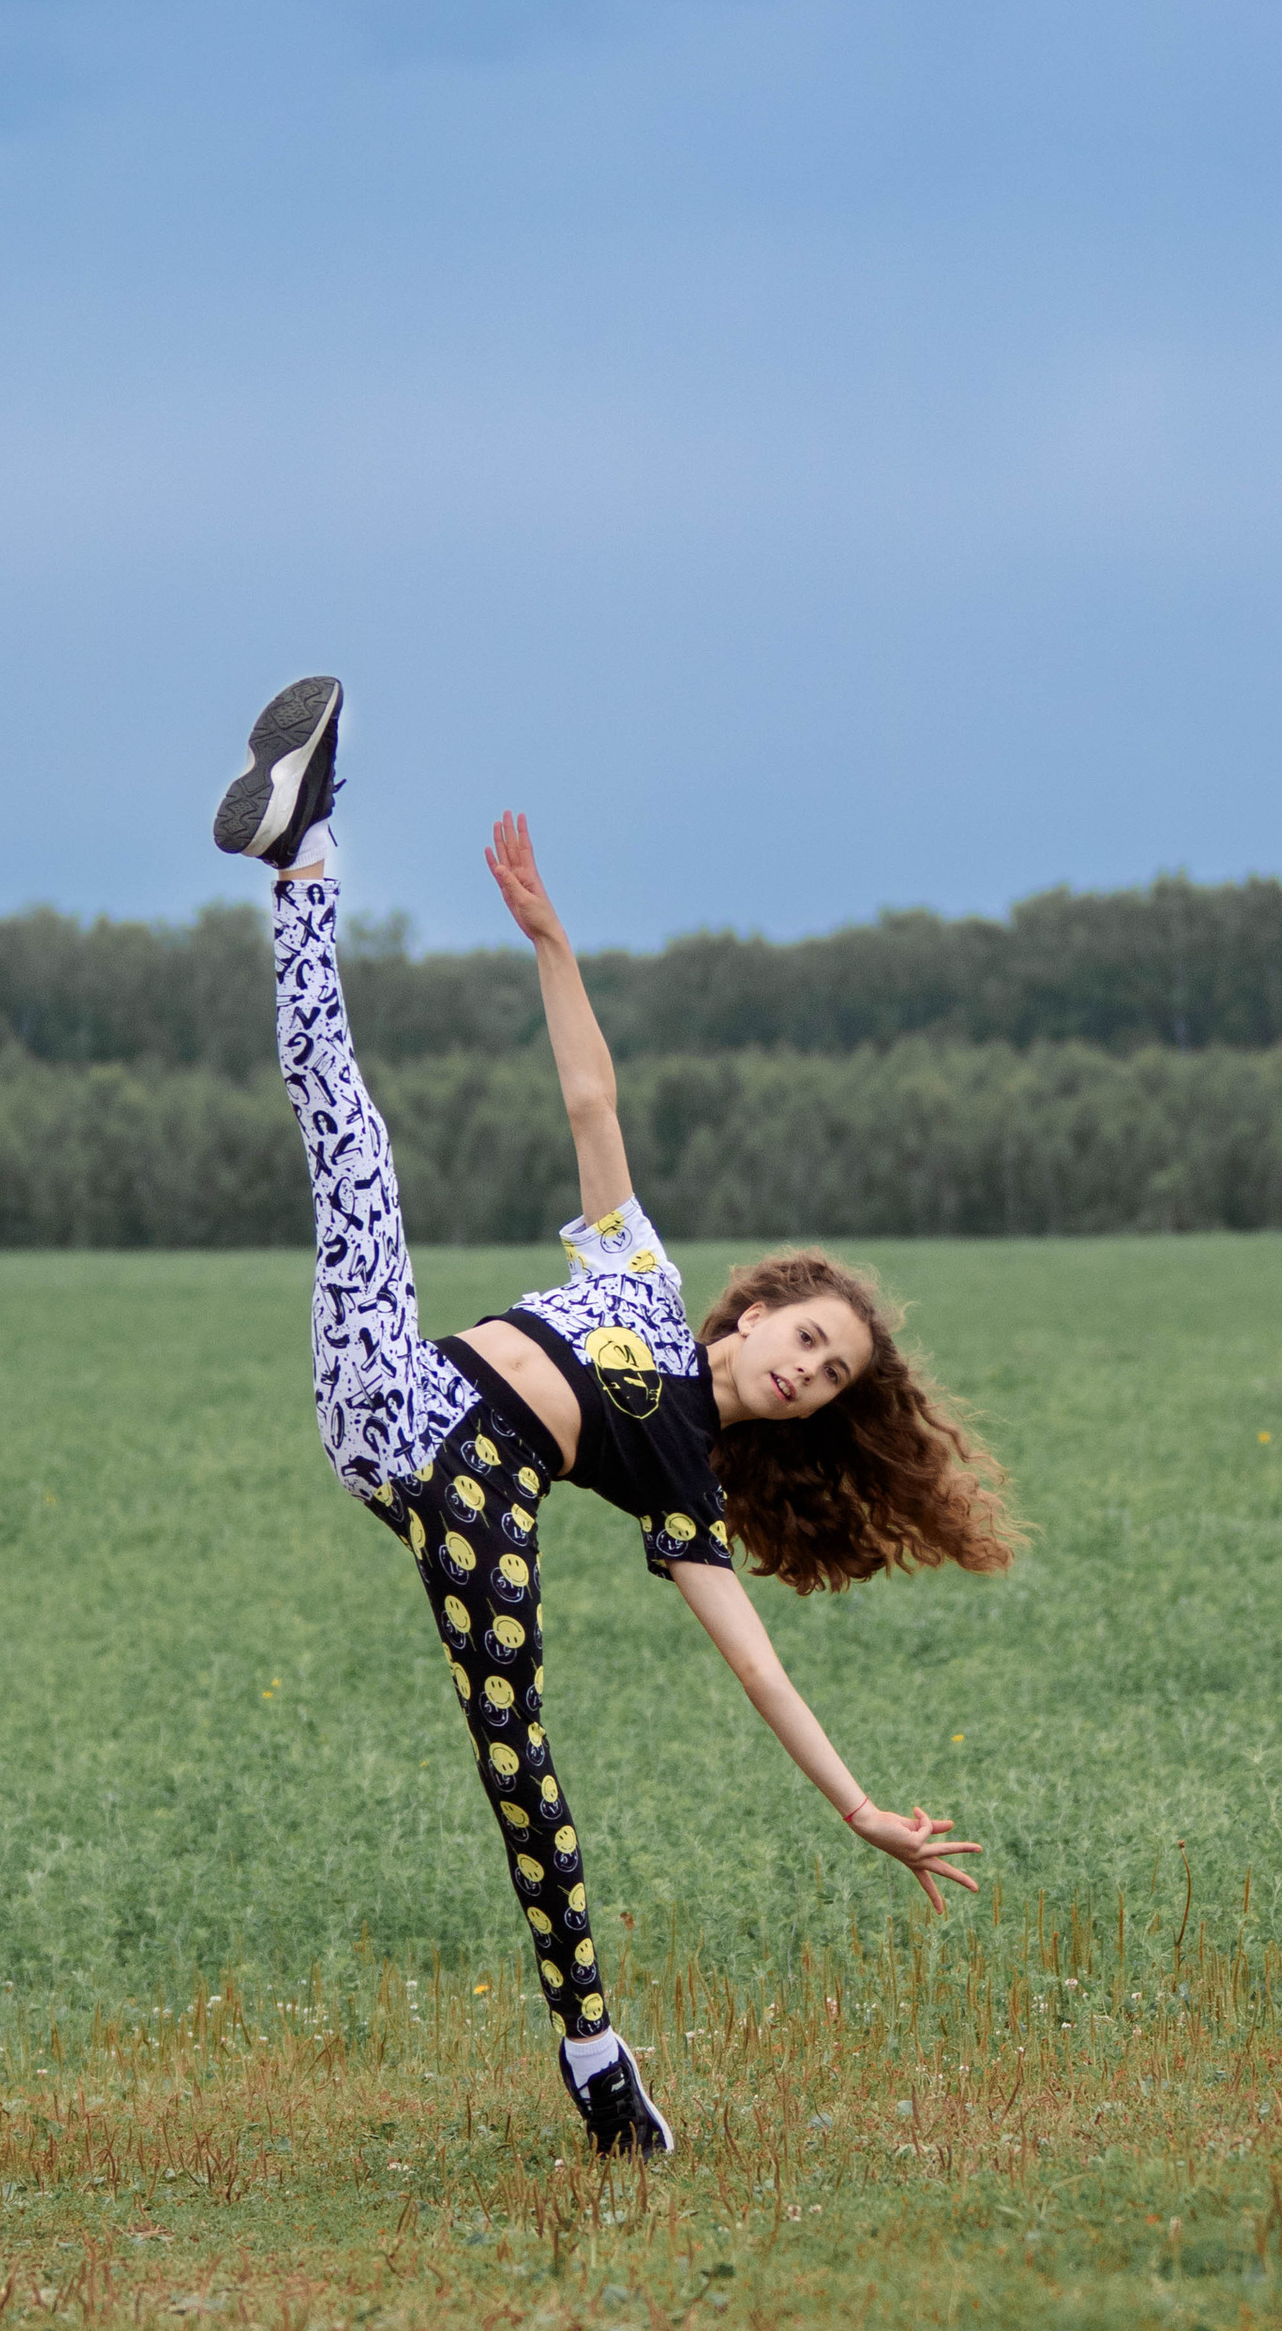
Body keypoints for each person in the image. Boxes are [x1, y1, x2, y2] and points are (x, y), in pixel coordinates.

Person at [215, 675, 1019, 2159]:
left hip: (474, 1495)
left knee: (517, 1758)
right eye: (807, 1337)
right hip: (394, 1385)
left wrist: (857, 1810)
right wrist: (554, 946)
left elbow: (762, 1674)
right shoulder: (638, 1267)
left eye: (829, 1378)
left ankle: (597, 2058)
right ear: (760, 1302)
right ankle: (303, 854)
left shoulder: (691, 1488)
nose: (804, 1369)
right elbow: (591, 1102)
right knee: (357, 1152)